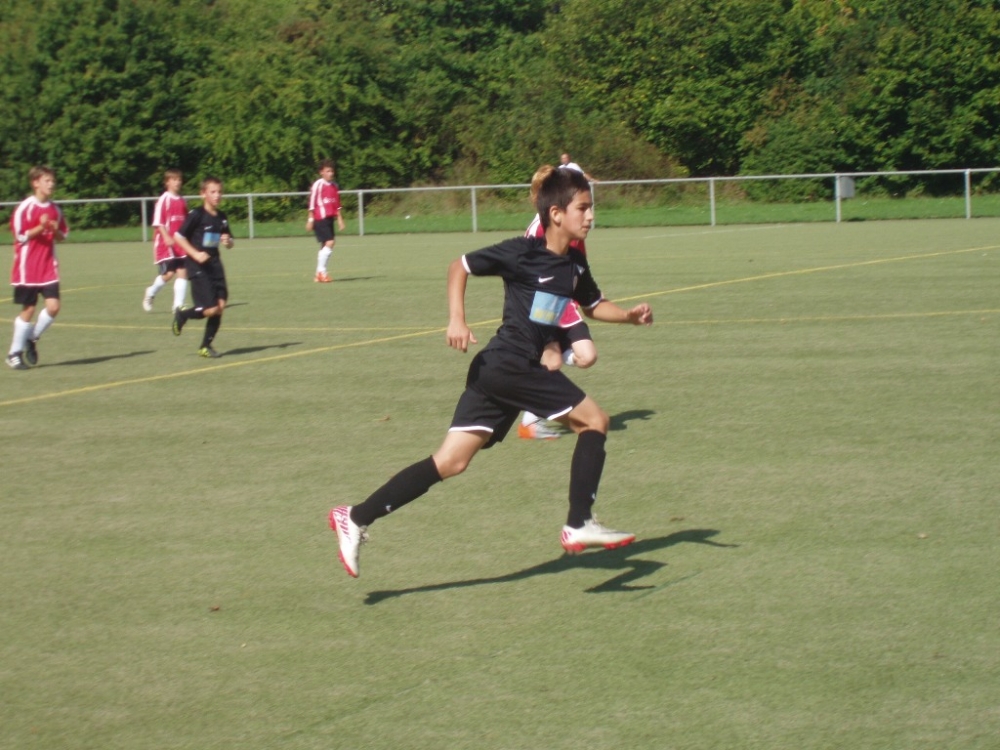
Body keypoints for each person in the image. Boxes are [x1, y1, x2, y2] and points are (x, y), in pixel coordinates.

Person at [328, 166, 653, 578]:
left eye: (591, 208)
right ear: (556, 214)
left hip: (498, 371)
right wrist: (456, 319)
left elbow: (593, 306)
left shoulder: (573, 264)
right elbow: (459, 266)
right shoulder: (522, 252)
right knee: (595, 421)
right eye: (583, 208)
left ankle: (355, 516)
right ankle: (579, 522)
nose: (591, 216)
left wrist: (627, 316)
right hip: (509, 364)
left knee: (451, 462)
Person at [519, 165, 598, 440]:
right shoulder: (538, 229)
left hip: (562, 303)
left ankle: (532, 409)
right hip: (543, 304)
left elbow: (577, 265)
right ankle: (529, 419)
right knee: (552, 359)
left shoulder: (571, 224)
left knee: (585, 357)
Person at [7, 165, 68, 370]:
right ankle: (14, 354)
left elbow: (62, 236)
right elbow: (20, 236)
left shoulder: (55, 209)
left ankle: (31, 337)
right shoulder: (25, 208)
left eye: (52, 181)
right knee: (29, 309)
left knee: (54, 307)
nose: (51, 184)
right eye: (47, 181)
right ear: (35, 183)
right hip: (28, 268)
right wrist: (41, 227)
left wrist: (55, 230)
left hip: (49, 266)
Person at [171, 177, 234, 358]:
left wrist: (228, 241)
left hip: (215, 266)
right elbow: (178, 237)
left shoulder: (222, 217)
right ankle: (183, 314)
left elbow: (229, 242)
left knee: (220, 306)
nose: (217, 195)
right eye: (212, 192)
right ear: (203, 194)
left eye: (219, 192)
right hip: (197, 266)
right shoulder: (196, 214)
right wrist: (196, 254)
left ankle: (205, 346)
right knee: (211, 309)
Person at [143, 168, 189, 312]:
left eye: (179, 179)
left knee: (182, 272)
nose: (177, 182)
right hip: (165, 245)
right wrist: (166, 236)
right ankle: (151, 292)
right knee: (168, 275)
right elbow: (158, 222)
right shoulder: (164, 199)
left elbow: (186, 221)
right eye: (174, 179)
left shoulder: (182, 200)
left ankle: (178, 306)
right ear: (167, 182)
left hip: (179, 243)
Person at [306, 159, 346, 283]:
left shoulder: (334, 186)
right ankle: (321, 272)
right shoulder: (318, 184)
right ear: (321, 172)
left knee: (325, 245)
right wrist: (310, 219)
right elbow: (312, 203)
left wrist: (340, 219)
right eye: (327, 171)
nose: (330, 173)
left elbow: (337, 204)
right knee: (330, 242)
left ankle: (319, 274)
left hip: (329, 218)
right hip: (320, 218)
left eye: (332, 171)